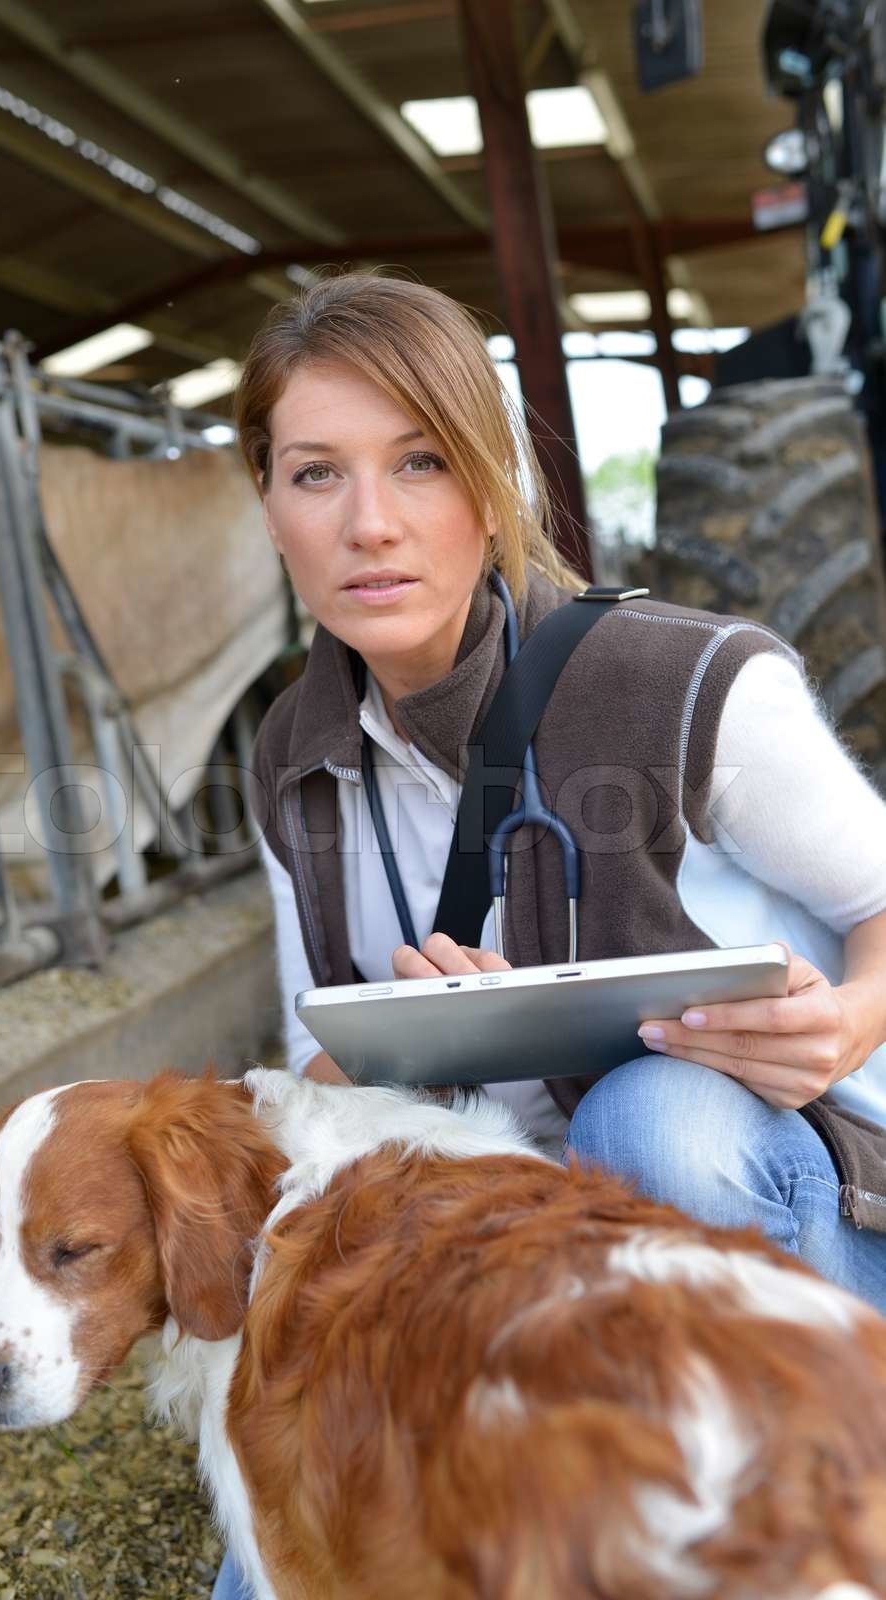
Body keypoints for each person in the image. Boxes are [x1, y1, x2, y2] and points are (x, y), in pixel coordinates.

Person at [210, 269, 886, 1600]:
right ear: (269, 505)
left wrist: (854, 1017)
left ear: (492, 483)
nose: (369, 522)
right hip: (520, 1232)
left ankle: (797, 1502)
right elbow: (319, 1069)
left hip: (801, 1208)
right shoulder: (293, 757)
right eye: (315, 473)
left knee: (650, 1123)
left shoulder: (683, 683)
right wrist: (417, 1042)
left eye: (420, 461)